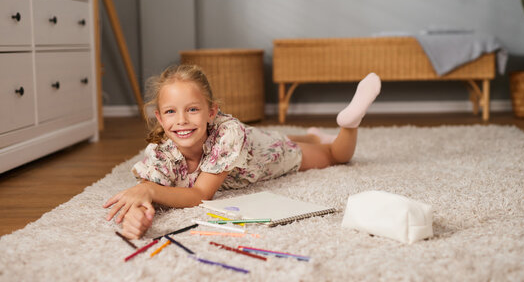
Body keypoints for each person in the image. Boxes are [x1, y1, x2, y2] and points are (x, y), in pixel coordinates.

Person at [103, 64, 381, 239]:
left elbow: (200, 194)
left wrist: (150, 191)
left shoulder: (227, 133)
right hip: (250, 140)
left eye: (192, 109)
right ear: (160, 119)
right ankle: (311, 134)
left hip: (265, 155)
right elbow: (143, 193)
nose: (182, 120)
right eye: (171, 112)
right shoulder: (160, 153)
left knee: (334, 155)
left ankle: (349, 123)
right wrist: (136, 215)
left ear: (212, 112)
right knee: (275, 134)